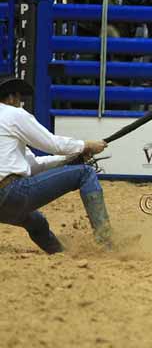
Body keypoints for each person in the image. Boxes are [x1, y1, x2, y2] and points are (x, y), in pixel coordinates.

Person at [0, 76, 113, 253]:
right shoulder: (13, 114)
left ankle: (60, 253)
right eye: (19, 99)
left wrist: (68, 160)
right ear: (12, 97)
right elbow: (52, 144)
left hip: (5, 202)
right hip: (10, 193)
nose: (20, 103)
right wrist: (86, 145)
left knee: (37, 221)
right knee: (85, 173)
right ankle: (107, 241)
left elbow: (33, 165)